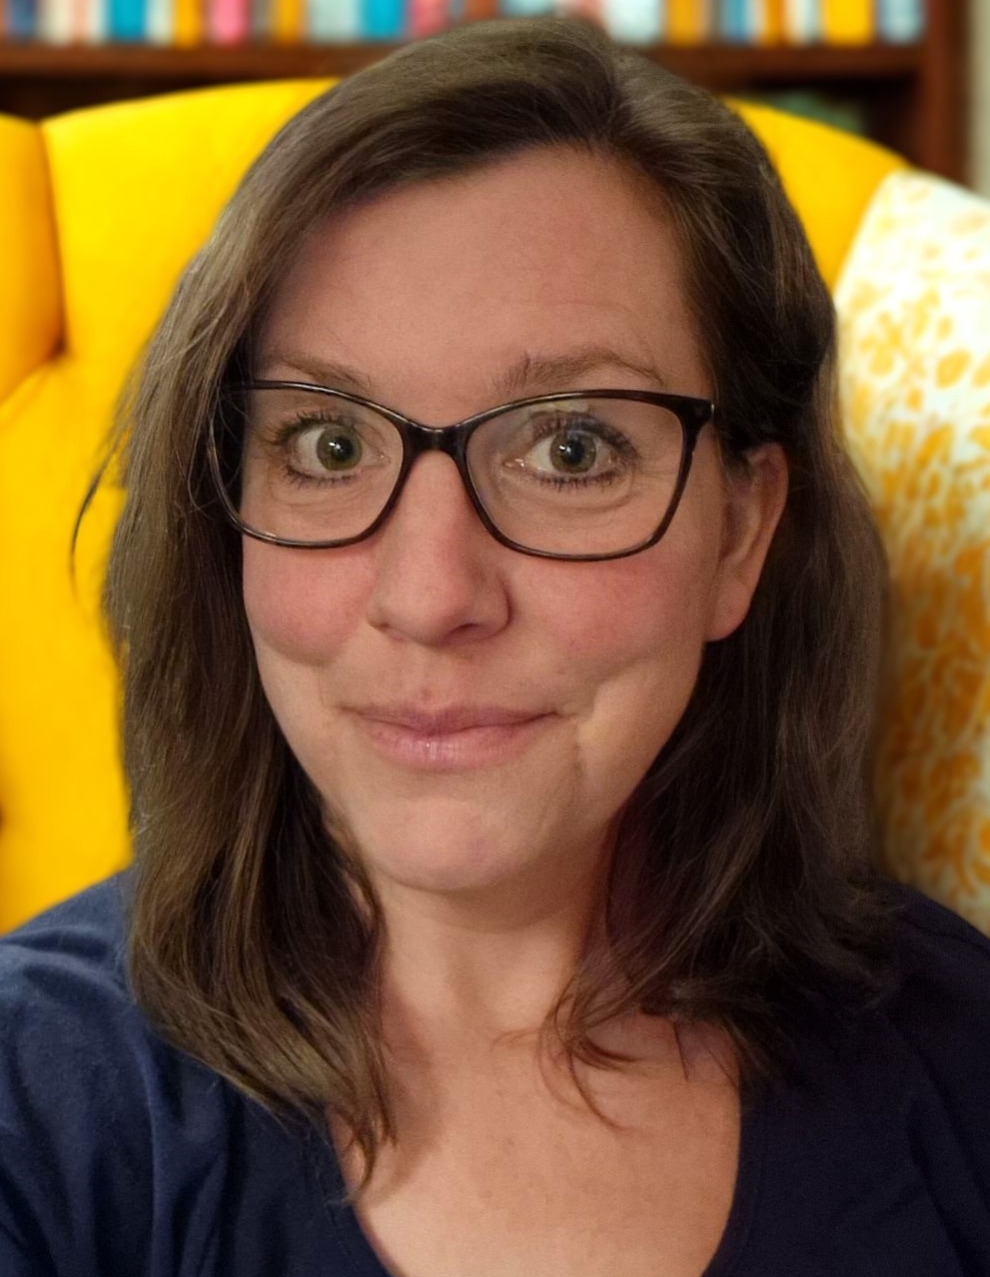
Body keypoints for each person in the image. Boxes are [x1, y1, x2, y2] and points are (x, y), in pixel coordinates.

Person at [2, 15, 989, 1276]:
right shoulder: (35, 1110)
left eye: (571, 448)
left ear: (741, 533)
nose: (429, 595)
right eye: (330, 444)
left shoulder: (961, 1068)